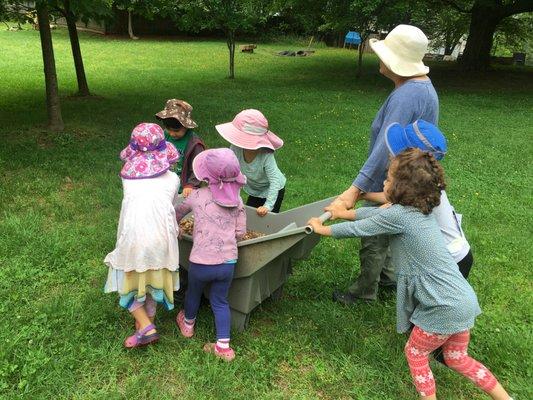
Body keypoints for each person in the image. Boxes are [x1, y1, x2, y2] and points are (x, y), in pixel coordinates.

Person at [308, 149, 512, 400]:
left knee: (415, 353)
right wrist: (343, 213)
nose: (384, 183)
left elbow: (362, 227)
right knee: (457, 359)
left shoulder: (400, 216)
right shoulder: (416, 209)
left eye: (389, 179)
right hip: (463, 300)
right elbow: (376, 214)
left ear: (403, 188)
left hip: (442, 306)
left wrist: (322, 230)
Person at [331, 25, 439, 304]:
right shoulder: (423, 88)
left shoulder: (407, 96)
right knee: (391, 228)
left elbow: (384, 149)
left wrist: (355, 190)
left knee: (374, 232)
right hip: (408, 178)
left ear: (395, 62)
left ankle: (364, 292)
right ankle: (389, 277)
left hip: (392, 178)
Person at [104, 123, 181, 348]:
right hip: (163, 241)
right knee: (152, 284)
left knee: (124, 284)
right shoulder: (173, 180)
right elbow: (172, 205)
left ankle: (146, 327)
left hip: (135, 239)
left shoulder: (128, 178)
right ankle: (144, 330)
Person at [175, 148, 246, 362]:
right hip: (227, 263)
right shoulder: (238, 202)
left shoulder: (197, 196)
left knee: (193, 293)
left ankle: (188, 325)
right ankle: (223, 347)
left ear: (205, 175)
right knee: (220, 300)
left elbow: (177, 212)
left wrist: (176, 227)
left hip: (200, 263)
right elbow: (240, 233)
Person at [216, 109, 286, 216]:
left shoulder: (266, 155)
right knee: (249, 216)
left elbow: (275, 181)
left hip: (273, 188)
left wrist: (267, 206)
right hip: (255, 189)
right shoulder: (236, 148)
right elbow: (230, 171)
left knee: (266, 220)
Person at [155, 99, 205, 198]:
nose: (172, 133)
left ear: (186, 126)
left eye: (176, 130)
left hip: (183, 189)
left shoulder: (194, 144)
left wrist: (191, 184)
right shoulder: (164, 135)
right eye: (168, 129)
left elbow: (199, 167)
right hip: (164, 184)